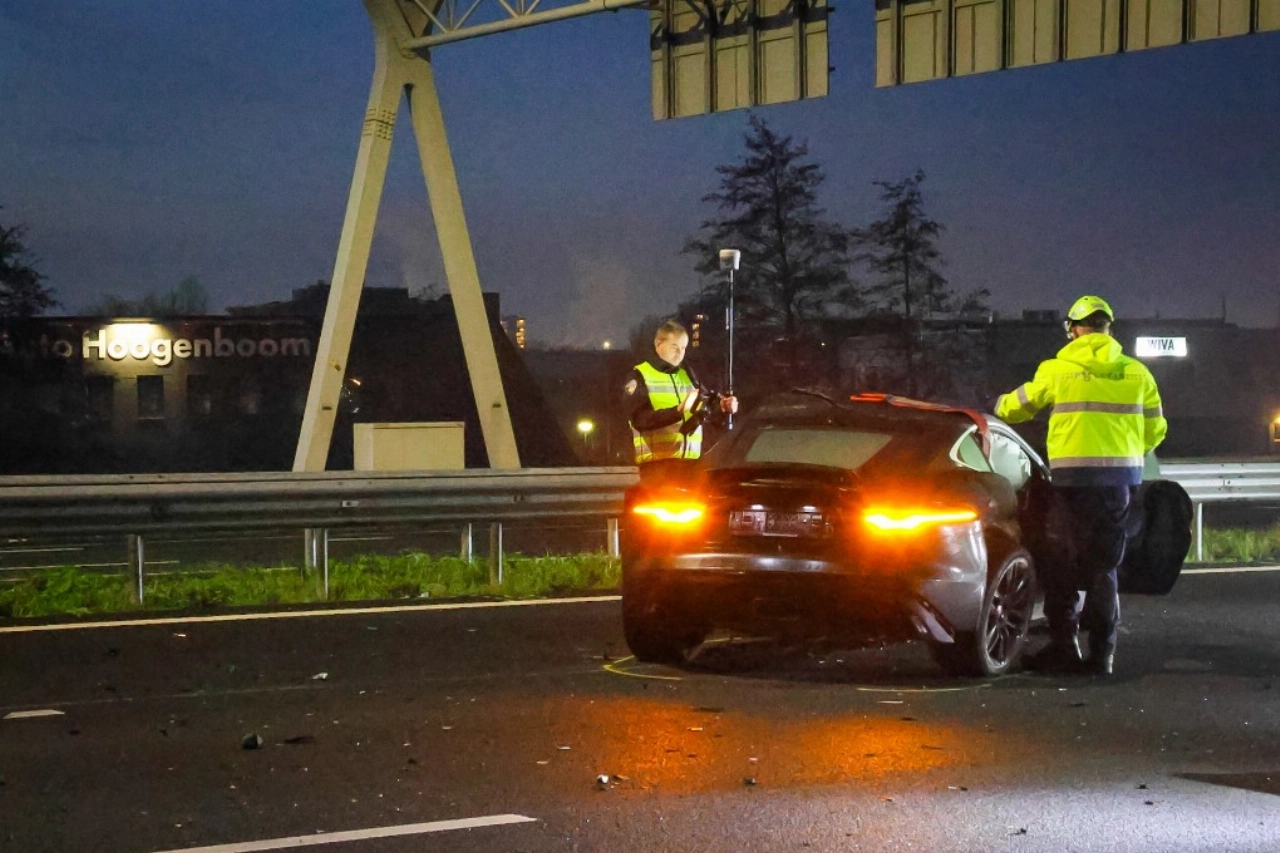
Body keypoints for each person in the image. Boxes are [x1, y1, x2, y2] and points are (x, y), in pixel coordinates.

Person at [995, 295, 1167, 675]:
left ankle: (1063, 647)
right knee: (1104, 566)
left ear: (1072, 329)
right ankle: (1102, 655)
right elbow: (1157, 429)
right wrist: (1125, 453)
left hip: (1070, 481)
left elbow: (1015, 408)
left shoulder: (1058, 369)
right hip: (1117, 482)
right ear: (1110, 329)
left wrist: (998, 404)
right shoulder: (1138, 373)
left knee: (1062, 561)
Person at [625, 319, 738, 479]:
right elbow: (640, 419)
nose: (679, 353)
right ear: (658, 344)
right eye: (674, 347)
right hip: (657, 468)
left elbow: (703, 401)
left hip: (691, 465)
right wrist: (677, 411)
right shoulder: (640, 376)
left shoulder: (687, 374)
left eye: (684, 348)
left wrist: (722, 405)